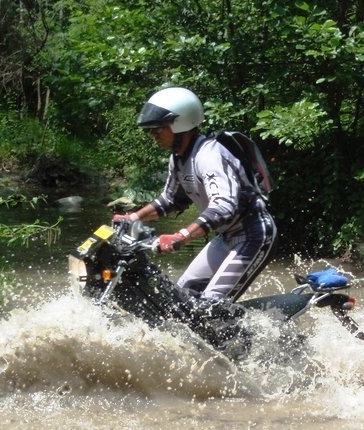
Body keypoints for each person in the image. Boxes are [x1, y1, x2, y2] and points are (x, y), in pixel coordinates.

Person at [114, 87, 278, 303]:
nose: (153, 134)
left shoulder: (209, 155)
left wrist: (180, 235)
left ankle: (255, 336)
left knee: (211, 304)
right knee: (181, 298)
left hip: (253, 234)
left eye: (158, 128)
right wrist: (133, 218)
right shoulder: (179, 158)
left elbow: (223, 207)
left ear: (180, 124)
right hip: (226, 236)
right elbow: (169, 200)